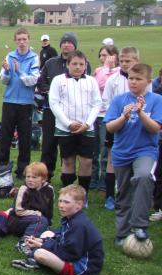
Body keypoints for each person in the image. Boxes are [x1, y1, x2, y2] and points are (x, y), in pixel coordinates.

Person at [104, 63, 162, 246]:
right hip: (122, 152)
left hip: (145, 151)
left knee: (144, 177)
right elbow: (110, 127)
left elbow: (155, 129)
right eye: (131, 78)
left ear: (147, 81)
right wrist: (124, 117)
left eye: (138, 79)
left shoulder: (157, 100)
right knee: (123, 193)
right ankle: (122, 234)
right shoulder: (120, 99)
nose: (134, 82)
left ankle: (139, 224)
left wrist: (141, 113)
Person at [11, 185, 104, 275]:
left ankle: (36, 261)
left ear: (79, 205)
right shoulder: (72, 218)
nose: (61, 205)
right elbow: (62, 238)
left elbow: (69, 254)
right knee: (47, 233)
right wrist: (42, 241)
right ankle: (35, 260)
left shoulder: (78, 225)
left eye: (66, 202)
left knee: (40, 254)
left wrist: (42, 245)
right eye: (60, 201)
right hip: (72, 255)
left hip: (83, 268)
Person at [35, 32, 90, 180]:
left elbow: (85, 85)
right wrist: (53, 94)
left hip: (73, 113)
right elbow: (41, 83)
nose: (66, 44)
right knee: (48, 145)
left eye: (70, 42)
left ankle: (69, 177)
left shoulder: (84, 63)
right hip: (50, 110)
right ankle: (46, 175)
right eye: (64, 42)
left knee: (70, 147)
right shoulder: (50, 63)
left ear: (75, 45)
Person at [48, 50, 100, 197]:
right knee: (68, 161)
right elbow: (54, 103)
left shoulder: (91, 80)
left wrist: (87, 124)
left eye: (81, 64)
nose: (78, 67)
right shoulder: (58, 80)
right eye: (74, 64)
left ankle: (83, 196)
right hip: (65, 128)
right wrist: (68, 123)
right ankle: (68, 194)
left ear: (86, 65)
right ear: (67, 64)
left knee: (86, 162)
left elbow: (97, 104)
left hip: (86, 127)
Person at [101, 47, 144, 210]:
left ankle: (131, 195)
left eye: (129, 61)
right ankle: (110, 196)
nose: (125, 64)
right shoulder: (113, 80)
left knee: (136, 159)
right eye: (123, 61)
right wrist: (119, 117)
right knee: (112, 159)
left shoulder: (144, 81)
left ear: (136, 61)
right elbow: (106, 101)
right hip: (118, 124)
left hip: (137, 125)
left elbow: (149, 101)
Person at [0, 28, 39, 181]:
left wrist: (19, 71)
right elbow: (3, 80)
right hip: (9, 101)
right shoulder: (9, 56)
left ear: (29, 40)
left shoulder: (34, 58)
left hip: (26, 103)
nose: (21, 42)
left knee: (25, 137)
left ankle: (22, 170)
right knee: (5, 136)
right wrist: (7, 72)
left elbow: (33, 80)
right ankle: (2, 167)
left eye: (24, 39)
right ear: (15, 40)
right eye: (19, 39)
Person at [8, 162, 54, 252]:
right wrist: (37, 214)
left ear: (43, 179)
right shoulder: (24, 189)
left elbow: (50, 209)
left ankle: (38, 235)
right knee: (40, 220)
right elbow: (19, 211)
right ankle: (23, 243)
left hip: (39, 220)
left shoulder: (49, 190)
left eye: (34, 177)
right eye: (28, 177)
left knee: (50, 231)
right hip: (18, 221)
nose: (30, 180)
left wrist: (48, 223)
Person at [91, 44, 119, 192]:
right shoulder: (98, 71)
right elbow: (95, 87)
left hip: (106, 115)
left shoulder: (119, 72)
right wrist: (105, 70)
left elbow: (105, 84)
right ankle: (92, 179)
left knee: (104, 151)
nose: (103, 58)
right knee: (93, 150)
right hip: (95, 114)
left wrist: (108, 69)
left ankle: (103, 183)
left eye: (106, 55)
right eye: (101, 55)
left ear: (114, 56)